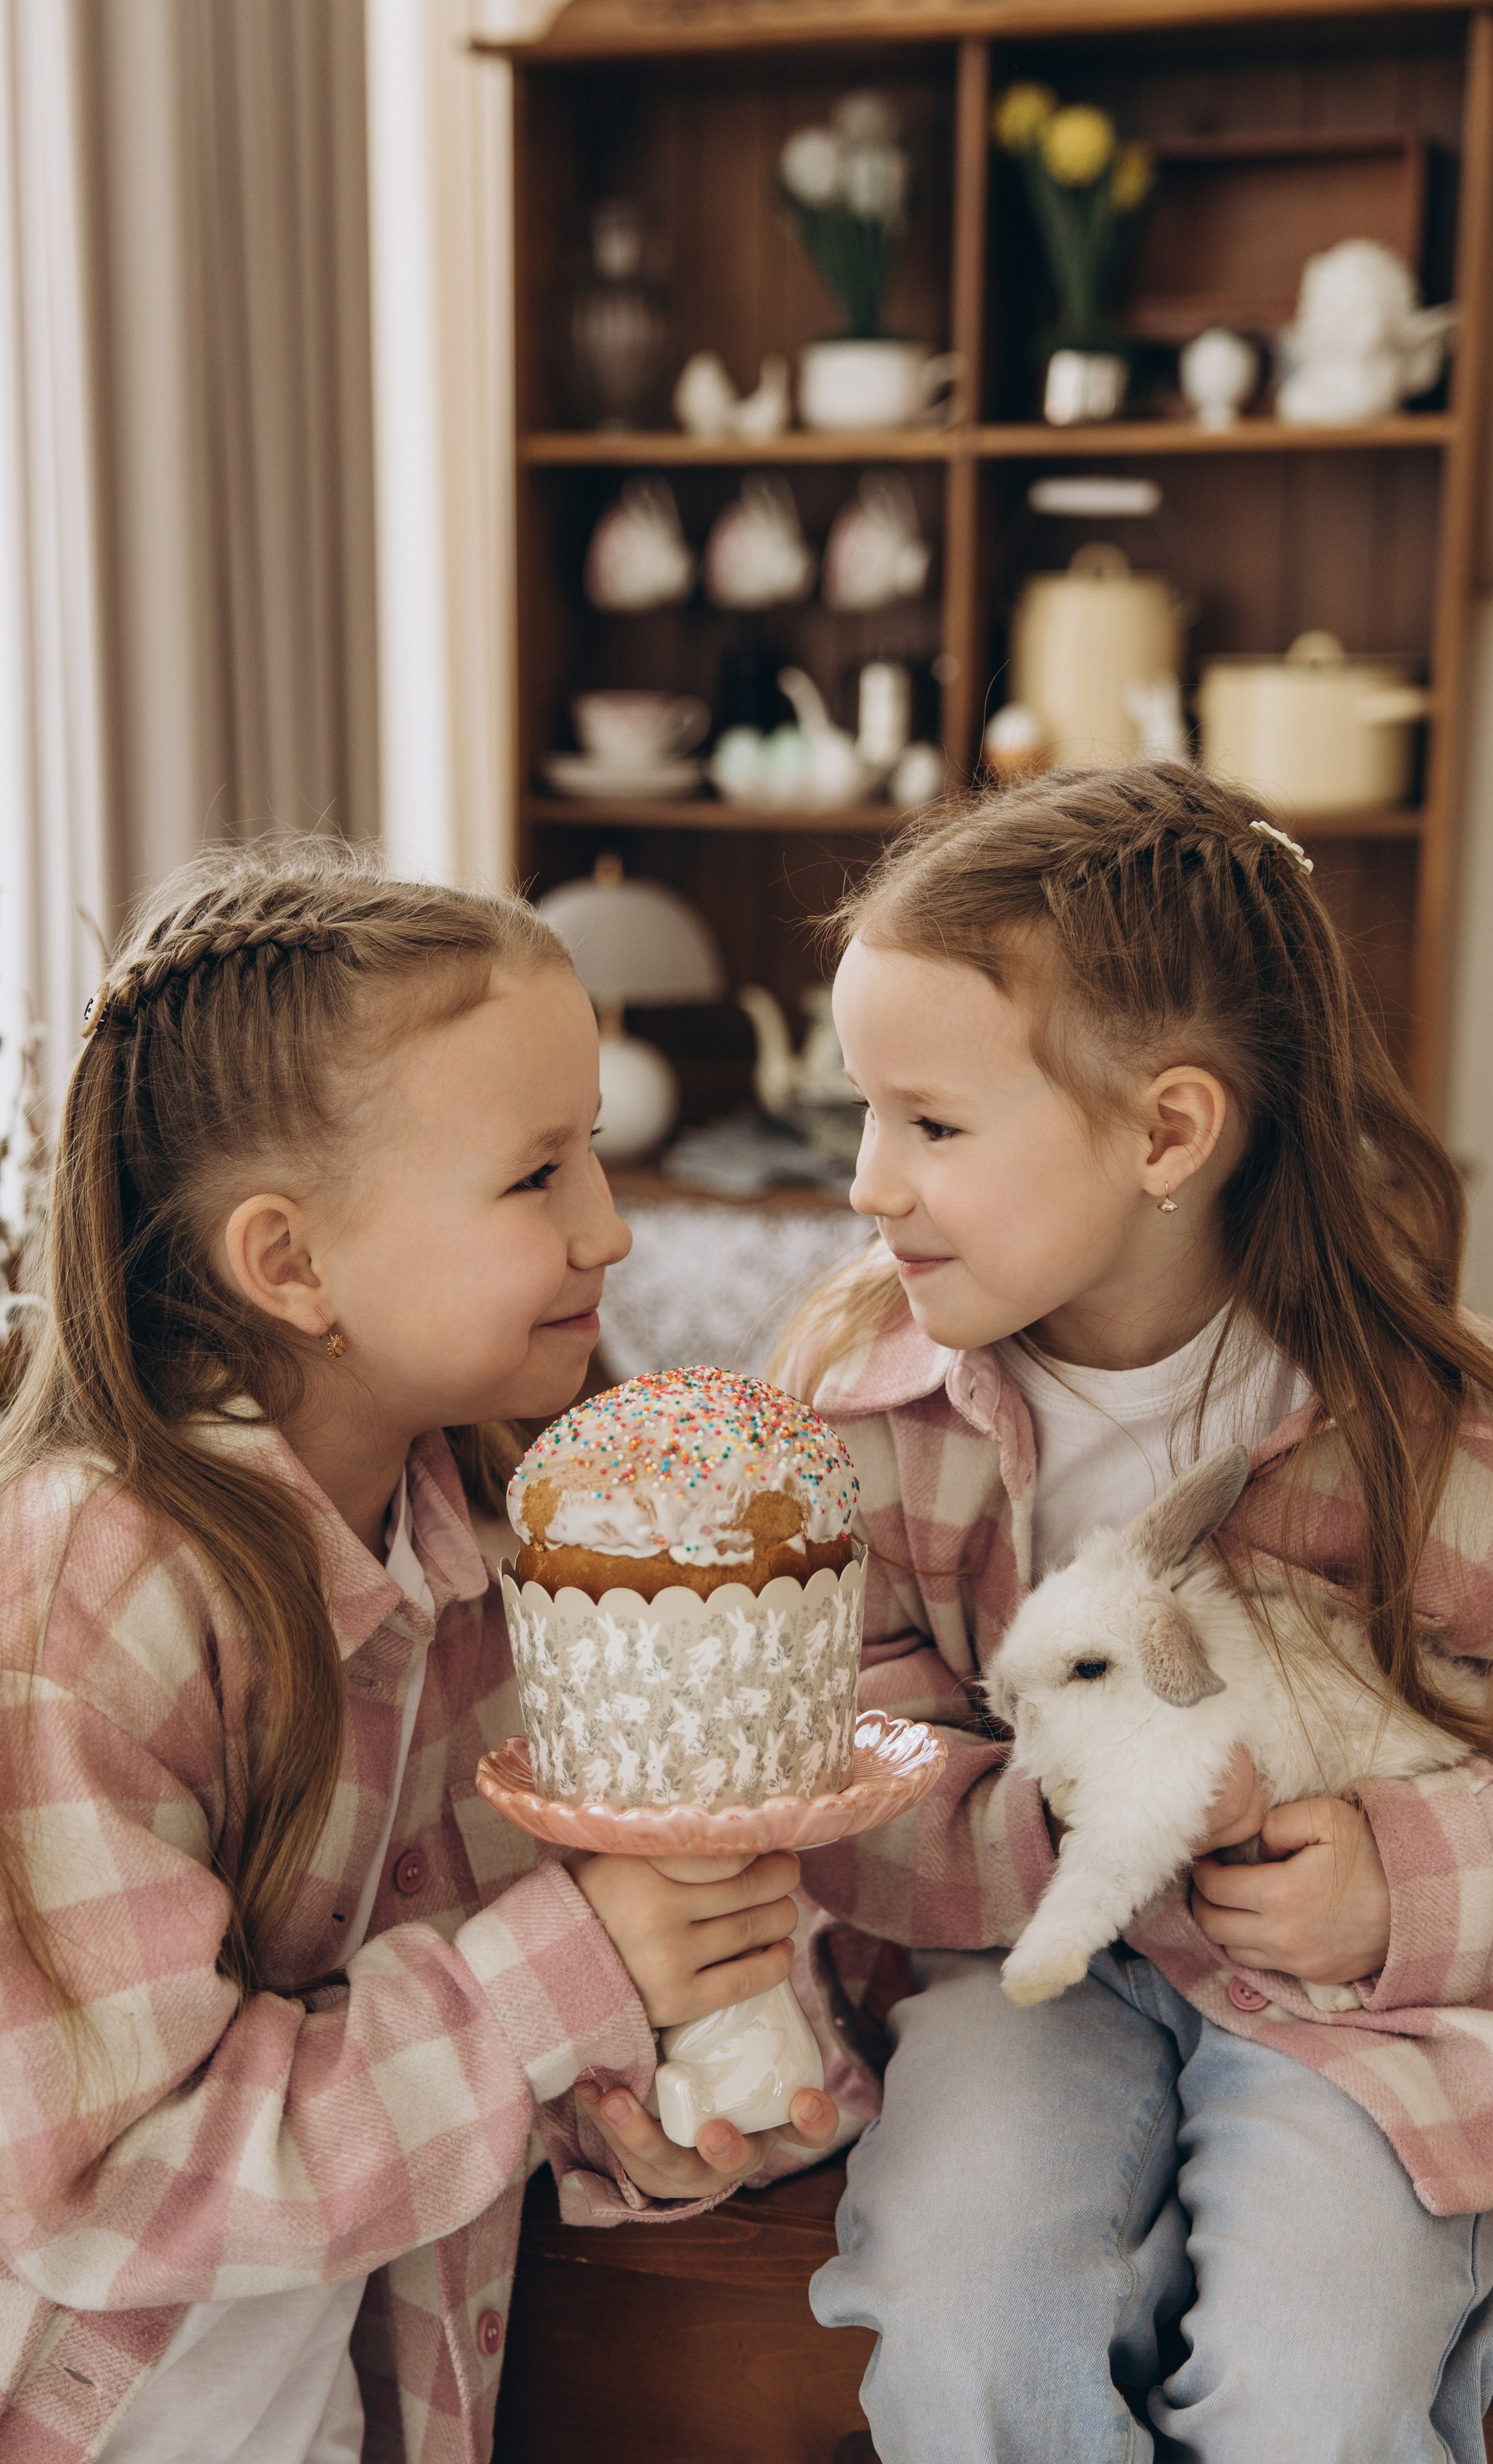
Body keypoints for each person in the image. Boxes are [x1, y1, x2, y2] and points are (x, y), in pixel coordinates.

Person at [0, 840, 839, 2464]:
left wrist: (632, 2113)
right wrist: (576, 1972)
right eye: (537, 1177)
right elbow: (114, 2176)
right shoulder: (63, 1604)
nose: (611, 1233)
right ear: (288, 1264)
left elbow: (444, 2047)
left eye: (589, 1156)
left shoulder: (478, 1555)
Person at [783, 766, 1493, 2462]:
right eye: (862, 1113)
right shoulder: (853, 1405)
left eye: (934, 1126)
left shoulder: (1430, 1440)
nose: (871, 1185)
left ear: (1169, 1131)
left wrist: (1392, 1881)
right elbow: (833, 1752)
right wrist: (1063, 1817)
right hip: (1028, 1972)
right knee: (961, 2322)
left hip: (1344, 1998)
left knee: (1318, 2379)